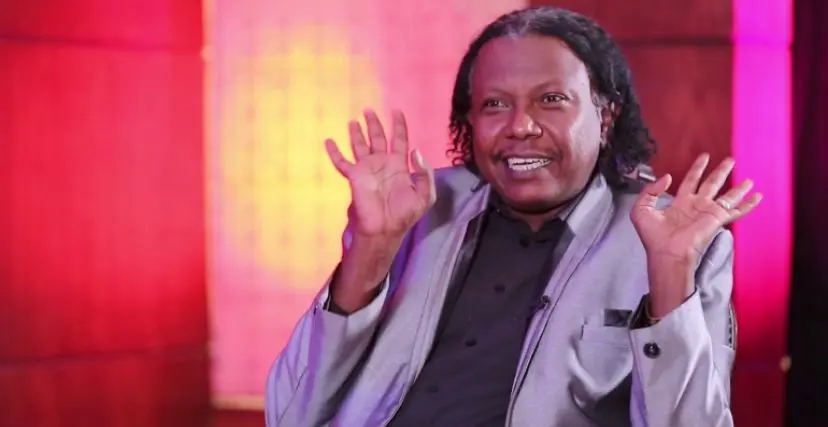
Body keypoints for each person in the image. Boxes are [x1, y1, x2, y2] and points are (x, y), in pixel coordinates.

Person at [265, 6, 761, 427]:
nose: (520, 126)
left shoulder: (677, 242)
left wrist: (670, 277)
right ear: (470, 122)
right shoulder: (416, 206)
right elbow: (289, 413)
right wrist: (371, 250)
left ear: (604, 115)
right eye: (495, 104)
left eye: (551, 100)